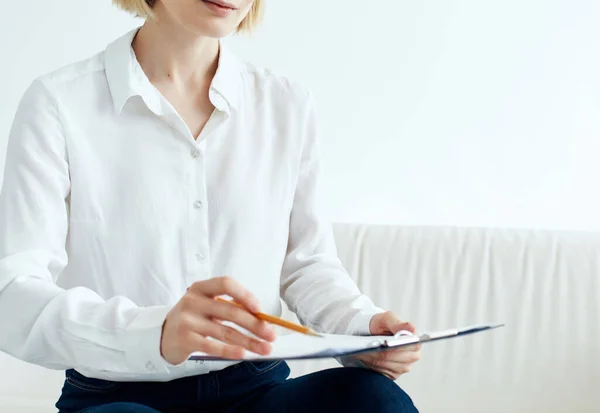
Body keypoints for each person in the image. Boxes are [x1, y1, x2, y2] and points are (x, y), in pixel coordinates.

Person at [0, 0, 421, 412]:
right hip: (116, 394)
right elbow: (13, 296)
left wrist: (364, 331)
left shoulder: (284, 103)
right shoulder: (58, 103)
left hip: (255, 388)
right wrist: (153, 333)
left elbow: (306, 265)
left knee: (373, 400)